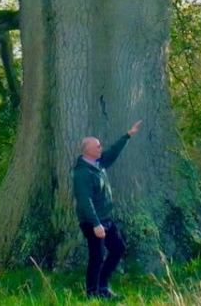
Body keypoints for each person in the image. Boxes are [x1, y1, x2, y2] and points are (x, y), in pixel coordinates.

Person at [73, 119, 142, 299]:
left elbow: (112, 152)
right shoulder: (83, 173)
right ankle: (92, 294)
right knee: (96, 257)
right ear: (88, 150)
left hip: (105, 219)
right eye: (98, 146)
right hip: (92, 222)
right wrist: (96, 224)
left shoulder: (99, 163)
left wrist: (127, 135)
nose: (101, 148)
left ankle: (102, 286)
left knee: (118, 248)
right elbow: (84, 201)